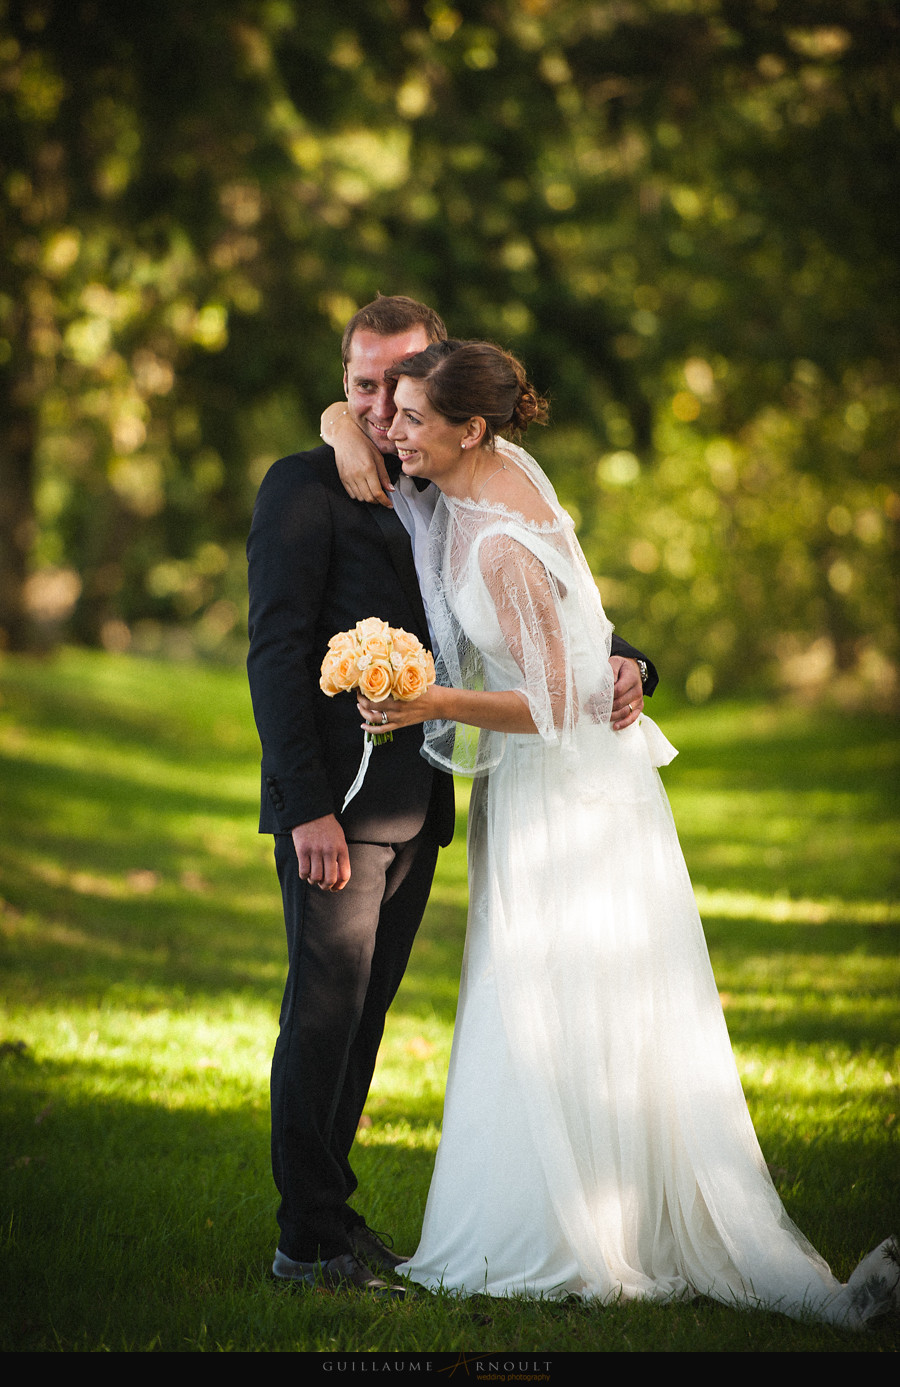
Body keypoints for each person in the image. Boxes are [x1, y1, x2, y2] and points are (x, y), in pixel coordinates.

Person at [356, 338, 899, 1327]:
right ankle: (619, 1213)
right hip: (583, 789)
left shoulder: (497, 541)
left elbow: (559, 697)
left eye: (412, 419)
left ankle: (563, 1232)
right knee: (584, 990)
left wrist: (432, 697)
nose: (394, 433)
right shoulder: (506, 473)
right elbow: (583, 640)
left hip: (560, 795)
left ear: (468, 428)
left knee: (551, 984)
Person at [246, 295, 659, 1294]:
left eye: (400, 386)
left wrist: (632, 656)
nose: (382, 408)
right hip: (335, 810)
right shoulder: (304, 487)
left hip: (422, 805)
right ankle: (304, 1239)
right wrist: (303, 805)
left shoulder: (446, 476)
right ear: (342, 384)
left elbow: (544, 597)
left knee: (368, 1014)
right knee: (323, 1011)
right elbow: (276, 650)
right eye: (361, 388)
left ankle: (335, 1217)